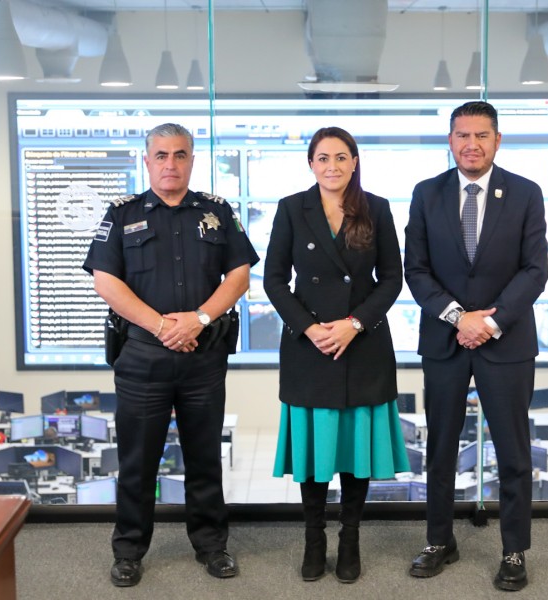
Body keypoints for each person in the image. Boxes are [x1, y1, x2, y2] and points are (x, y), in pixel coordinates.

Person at [83, 122, 259, 587]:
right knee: (137, 462)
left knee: (205, 458)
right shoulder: (122, 214)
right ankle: (128, 552)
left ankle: (212, 546)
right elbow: (105, 281)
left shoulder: (216, 211)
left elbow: (239, 276)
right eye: (161, 155)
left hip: (203, 355)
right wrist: (162, 326)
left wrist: (198, 319)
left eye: (180, 155)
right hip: (142, 357)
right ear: (147, 161)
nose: (170, 164)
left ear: (192, 161)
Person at [404, 101, 548, 591]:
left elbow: (535, 270)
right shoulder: (427, 194)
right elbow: (416, 270)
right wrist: (457, 317)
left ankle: (514, 550)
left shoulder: (525, 193)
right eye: (462, 135)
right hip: (444, 340)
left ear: (497, 140)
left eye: (481, 135)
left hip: (505, 342)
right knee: (440, 448)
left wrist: (490, 322)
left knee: (513, 452)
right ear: (450, 140)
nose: (471, 144)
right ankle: (439, 540)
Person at [264, 126, 409, 583]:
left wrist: (354, 323)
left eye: (341, 157)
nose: (333, 166)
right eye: (323, 158)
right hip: (309, 346)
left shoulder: (376, 208)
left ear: (355, 162)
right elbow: (273, 280)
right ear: (311, 164)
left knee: (353, 449)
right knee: (314, 452)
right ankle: (314, 539)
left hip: (362, 343)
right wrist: (310, 328)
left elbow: (392, 278)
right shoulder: (292, 208)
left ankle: (350, 539)